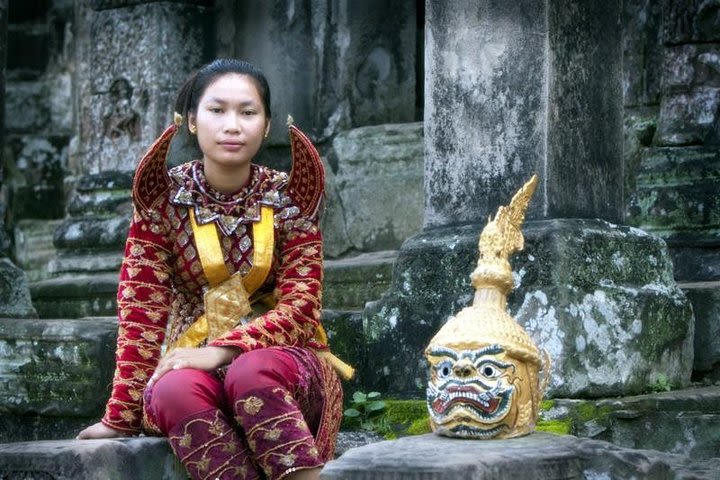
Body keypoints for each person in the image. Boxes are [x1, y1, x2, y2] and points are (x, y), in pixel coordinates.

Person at [78, 58, 347, 480]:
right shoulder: (161, 203)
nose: (232, 125)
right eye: (216, 110)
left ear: (267, 123)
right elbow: (141, 313)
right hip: (188, 362)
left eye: (248, 112)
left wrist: (223, 350)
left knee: (250, 370)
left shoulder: (291, 199)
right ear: (191, 121)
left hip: (282, 369)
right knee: (171, 389)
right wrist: (120, 416)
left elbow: (302, 308)